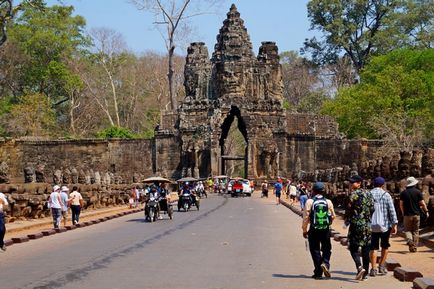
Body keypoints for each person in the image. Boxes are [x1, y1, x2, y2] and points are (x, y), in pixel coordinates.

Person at [302, 182, 336, 279]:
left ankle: (318, 272)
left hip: (314, 229)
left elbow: (306, 218)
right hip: (325, 229)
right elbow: (333, 216)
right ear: (323, 191)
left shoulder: (309, 201)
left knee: (315, 249)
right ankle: (325, 262)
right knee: (326, 248)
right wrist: (328, 224)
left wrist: (304, 230)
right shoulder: (328, 202)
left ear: (313, 191)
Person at [344, 175, 374, 281]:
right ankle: (365, 274)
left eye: (353, 183)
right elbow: (372, 208)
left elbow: (348, 208)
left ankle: (359, 266)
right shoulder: (369, 194)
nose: (351, 185)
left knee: (353, 247)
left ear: (359, 183)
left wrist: (347, 220)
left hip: (356, 225)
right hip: (367, 225)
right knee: (366, 249)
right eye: (351, 183)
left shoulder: (353, 195)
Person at [369, 177, 398, 276]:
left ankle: (373, 268)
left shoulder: (369, 194)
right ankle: (381, 266)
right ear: (383, 185)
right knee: (385, 245)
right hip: (385, 225)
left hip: (372, 225)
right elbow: (392, 211)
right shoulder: (386, 195)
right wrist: (394, 224)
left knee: (373, 247)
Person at [399, 176, 429, 252]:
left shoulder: (403, 193)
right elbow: (422, 203)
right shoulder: (418, 192)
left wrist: (403, 213)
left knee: (407, 230)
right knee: (416, 231)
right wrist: (426, 211)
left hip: (407, 215)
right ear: (414, 184)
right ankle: (414, 247)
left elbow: (401, 204)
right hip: (416, 214)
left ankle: (409, 241)